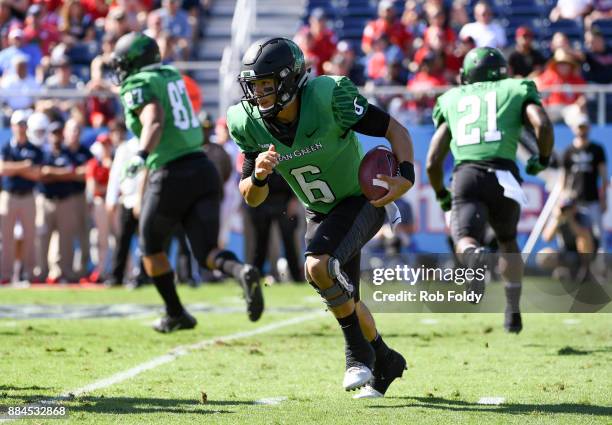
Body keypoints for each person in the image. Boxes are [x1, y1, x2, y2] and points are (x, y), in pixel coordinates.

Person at [227, 37, 415, 397]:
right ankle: (385, 358)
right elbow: (251, 197)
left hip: (360, 199)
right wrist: (260, 176)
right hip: (322, 211)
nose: (259, 94)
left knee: (318, 268)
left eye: (267, 85)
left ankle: (356, 355)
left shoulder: (329, 97)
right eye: (254, 86)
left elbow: (396, 130)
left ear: (290, 80)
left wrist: (405, 174)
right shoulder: (246, 121)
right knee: (343, 295)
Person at [110, 32, 263, 332]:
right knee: (207, 252)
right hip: (202, 167)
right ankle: (241, 270)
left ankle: (175, 312)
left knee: (150, 248)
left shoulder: (138, 82)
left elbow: (154, 120)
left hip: (170, 172)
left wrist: (141, 153)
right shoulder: (170, 74)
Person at [426, 47, 554, 333]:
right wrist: (542, 159)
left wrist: (441, 195)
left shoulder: (453, 98)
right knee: (508, 241)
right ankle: (512, 310)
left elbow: (433, 160)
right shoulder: (515, 88)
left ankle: (474, 257)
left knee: (464, 238)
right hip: (505, 175)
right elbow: (542, 123)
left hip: (468, 174)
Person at [0, 110, 42, 283]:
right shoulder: (6, 147)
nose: (21, 128)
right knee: (6, 237)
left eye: (23, 124)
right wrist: (24, 167)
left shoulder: (34, 148)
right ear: (12, 126)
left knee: (30, 237)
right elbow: (3, 170)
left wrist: (14, 169)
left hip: (28, 196)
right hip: (9, 195)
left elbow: (36, 174)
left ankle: (28, 274)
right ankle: (5, 275)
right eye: (18, 124)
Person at [561, 114, 607, 244]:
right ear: (574, 129)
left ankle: (600, 262)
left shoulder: (597, 150)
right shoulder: (568, 151)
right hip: (574, 202)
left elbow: (603, 176)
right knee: (574, 233)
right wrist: (563, 197)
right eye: (579, 127)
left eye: (584, 127)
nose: (582, 131)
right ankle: (577, 261)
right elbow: (563, 178)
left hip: (593, 200)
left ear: (589, 128)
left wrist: (603, 199)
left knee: (599, 234)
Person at [540, 196, 597, 283]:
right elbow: (547, 238)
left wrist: (571, 221)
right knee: (543, 255)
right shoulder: (558, 218)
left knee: (582, 241)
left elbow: (585, 236)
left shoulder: (583, 216)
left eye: (569, 208)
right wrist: (557, 220)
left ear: (575, 208)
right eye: (565, 208)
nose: (567, 211)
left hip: (585, 255)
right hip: (568, 253)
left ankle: (586, 271)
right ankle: (565, 271)